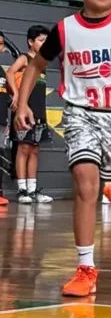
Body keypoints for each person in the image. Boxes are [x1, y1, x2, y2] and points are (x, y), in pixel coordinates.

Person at [14, 0, 111, 297]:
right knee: (84, 186)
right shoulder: (64, 29)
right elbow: (36, 65)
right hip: (81, 115)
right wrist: (21, 103)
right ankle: (86, 269)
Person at [4, 25, 53, 204]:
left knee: (34, 149)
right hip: (25, 110)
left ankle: (32, 190)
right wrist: (16, 95)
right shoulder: (25, 59)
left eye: (47, 41)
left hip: (39, 111)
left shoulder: (42, 63)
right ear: (31, 42)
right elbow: (9, 72)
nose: (44, 44)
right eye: (41, 41)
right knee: (23, 149)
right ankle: (22, 189)